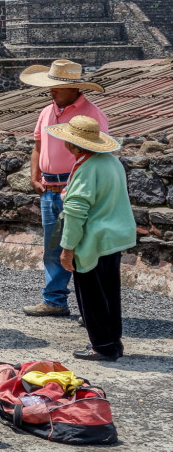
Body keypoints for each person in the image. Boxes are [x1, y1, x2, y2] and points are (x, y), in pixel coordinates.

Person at [18, 60, 108, 317]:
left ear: (75, 89)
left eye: (57, 87)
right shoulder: (46, 112)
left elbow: (97, 155)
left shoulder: (92, 116)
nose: (51, 91)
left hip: (75, 189)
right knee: (53, 247)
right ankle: (54, 300)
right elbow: (38, 146)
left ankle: (89, 307)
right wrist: (35, 176)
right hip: (49, 189)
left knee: (84, 248)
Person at [45, 115, 135, 361]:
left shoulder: (88, 167)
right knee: (109, 294)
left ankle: (101, 346)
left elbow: (76, 211)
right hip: (112, 238)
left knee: (92, 296)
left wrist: (67, 248)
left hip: (93, 241)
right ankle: (112, 343)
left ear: (73, 145)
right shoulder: (111, 162)